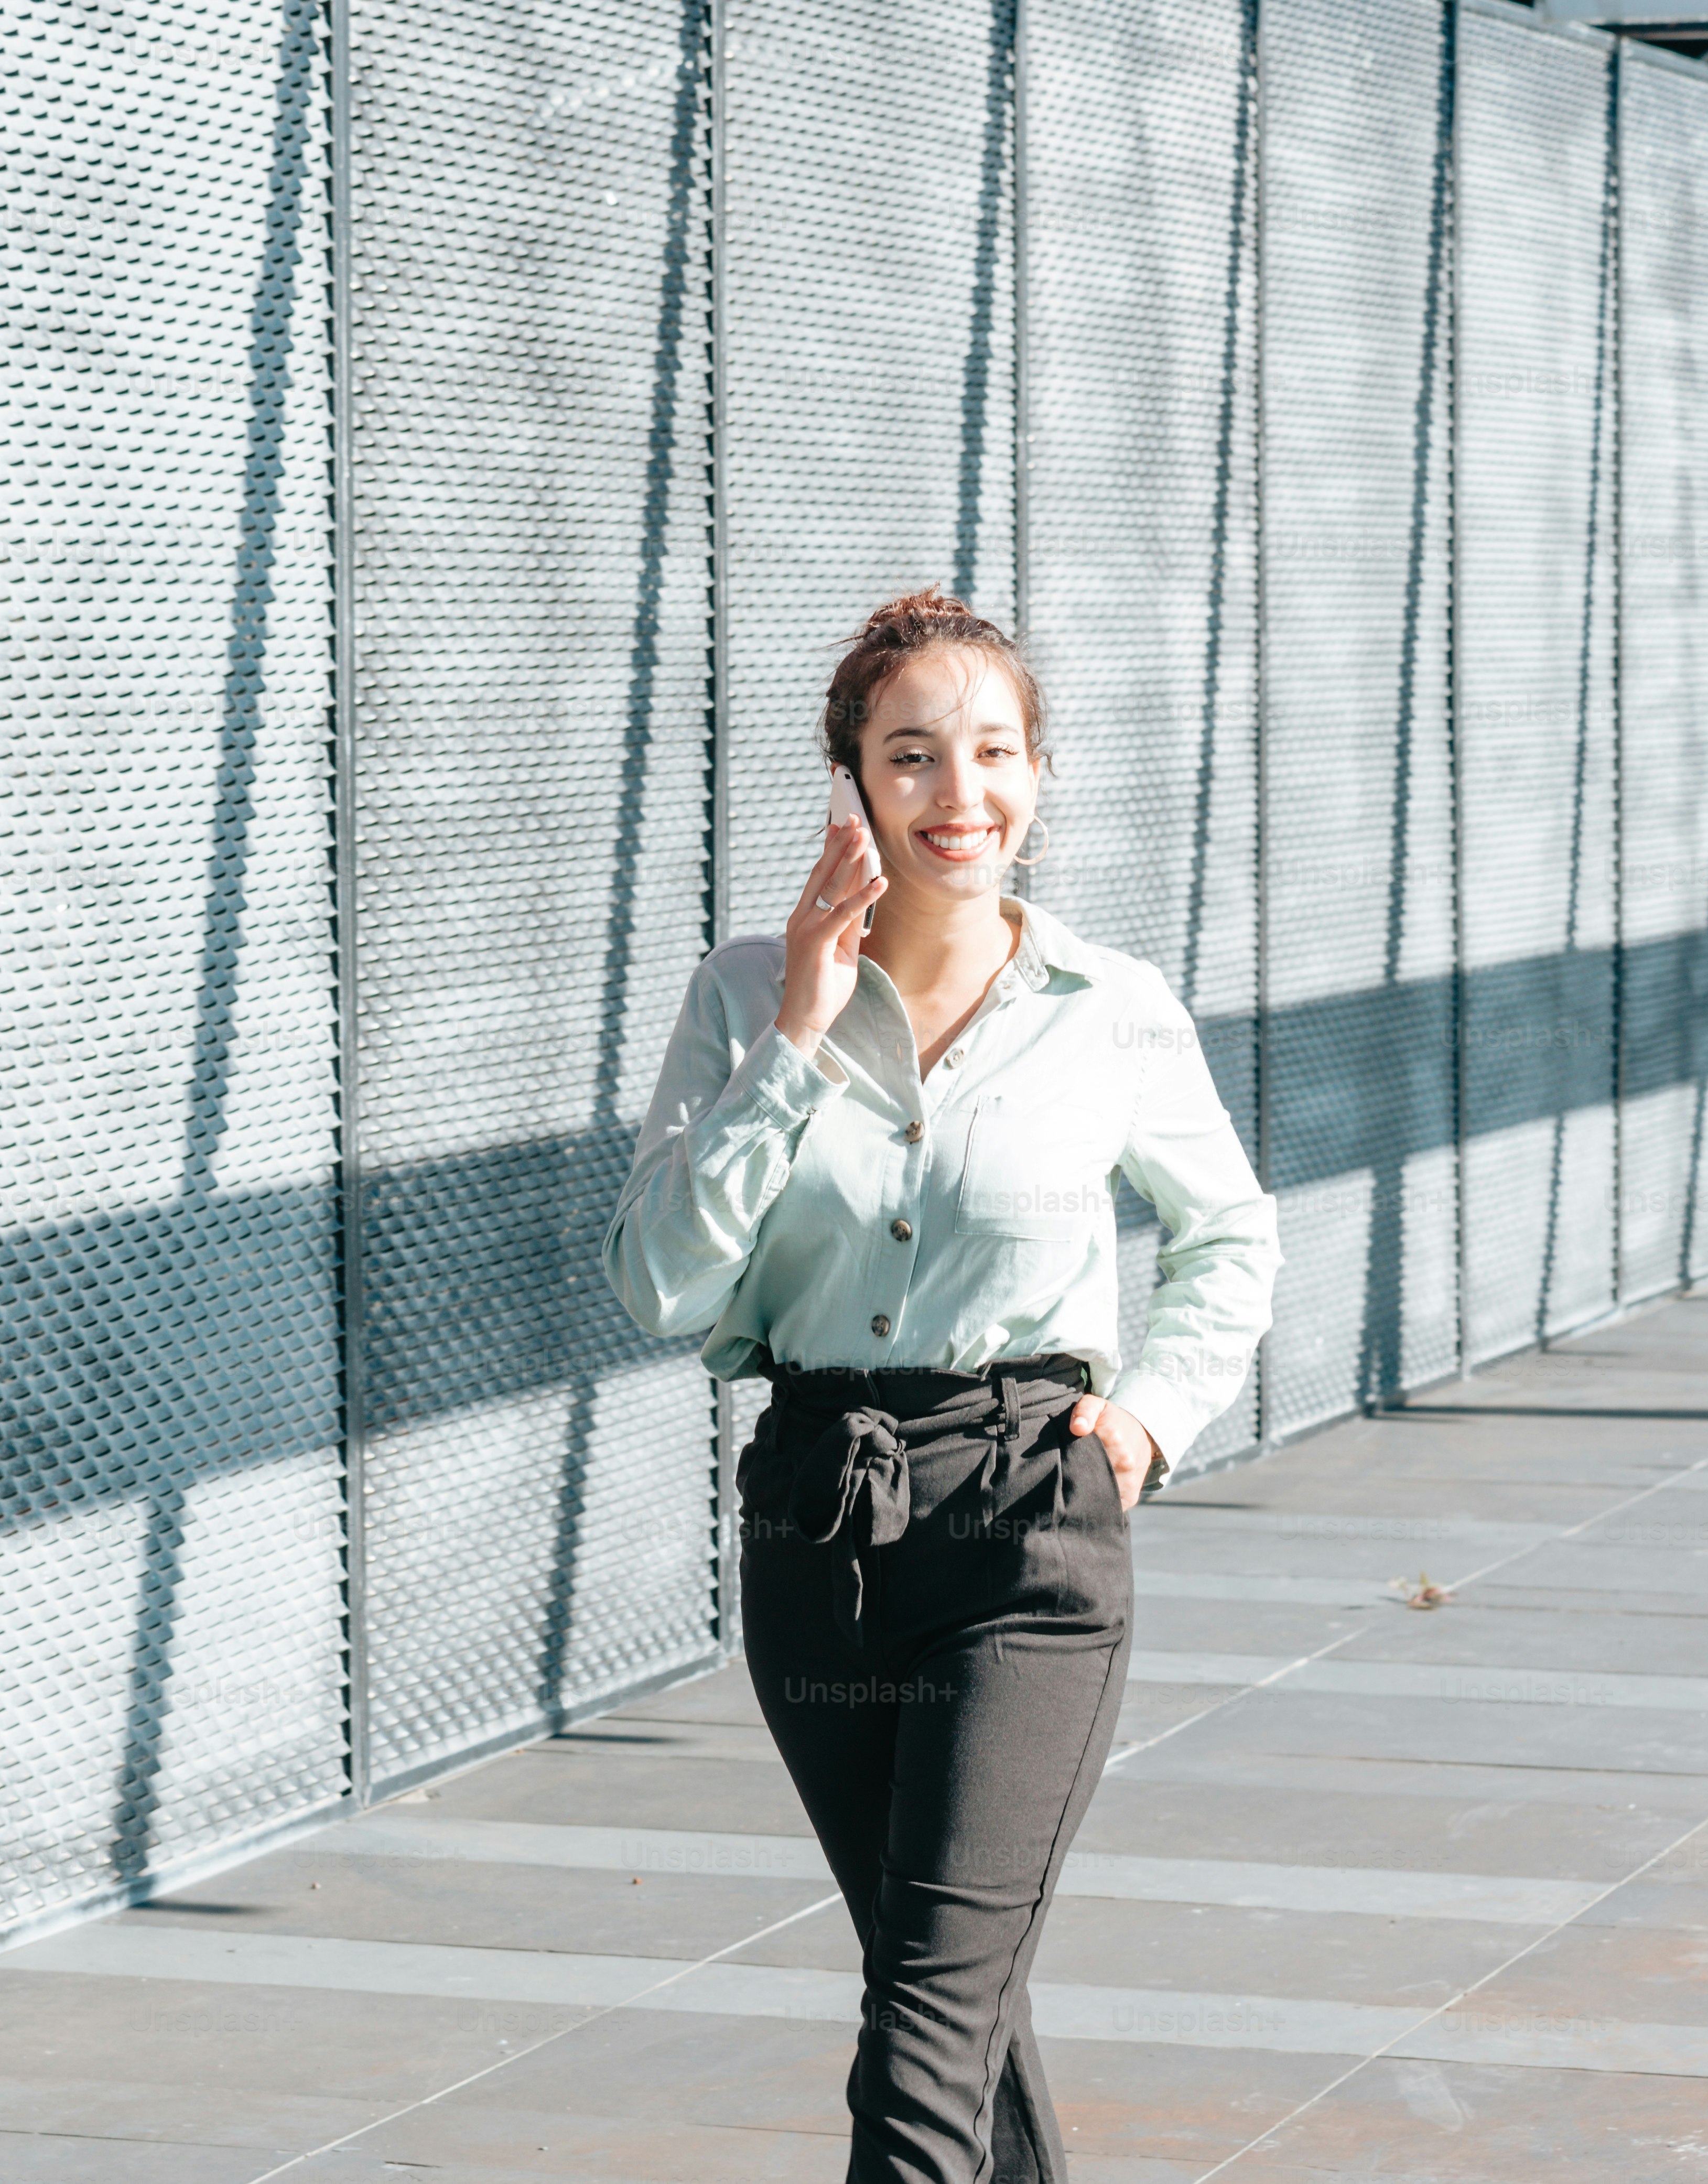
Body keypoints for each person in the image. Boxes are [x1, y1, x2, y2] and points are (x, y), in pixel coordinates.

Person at [601, 586, 1279, 2182]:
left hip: (1030, 1531)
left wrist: (1145, 1422)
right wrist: (794, 1038)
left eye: (989, 753)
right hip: (820, 1535)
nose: (953, 795)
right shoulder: (745, 991)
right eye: (909, 756)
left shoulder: (1107, 1007)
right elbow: (660, 1288)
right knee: (955, 1985)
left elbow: (1229, 1237)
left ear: (1037, 776)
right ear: (849, 780)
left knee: (926, 2001)